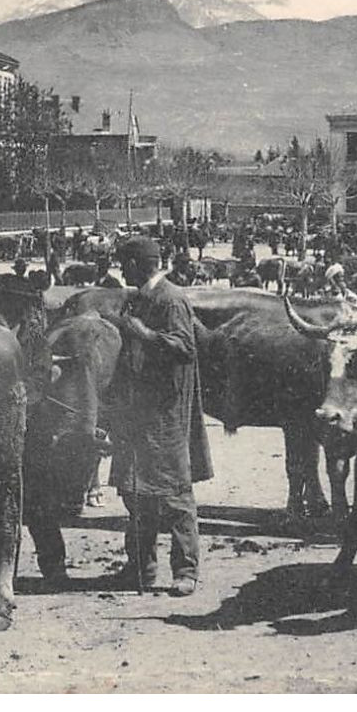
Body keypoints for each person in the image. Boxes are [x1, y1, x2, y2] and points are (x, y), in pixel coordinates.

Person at [104, 236, 212, 596]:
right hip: (137, 413)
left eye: (125, 264)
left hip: (165, 414)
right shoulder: (139, 298)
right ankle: (140, 568)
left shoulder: (171, 299)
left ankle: (186, 571)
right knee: (136, 493)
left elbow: (185, 348)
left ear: (139, 265)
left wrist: (144, 333)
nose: (122, 270)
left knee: (175, 494)